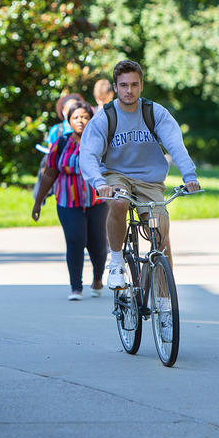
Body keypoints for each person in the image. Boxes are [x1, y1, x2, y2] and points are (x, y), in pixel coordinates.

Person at [79, 59, 201, 290]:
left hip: (149, 181)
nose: (129, 90)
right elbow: (88, 155)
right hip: (116, 175)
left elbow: (176, 145)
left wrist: (189, 176)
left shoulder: (154, 113)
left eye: (134, 85)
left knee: (161, 232)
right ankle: (115, 264)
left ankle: (164, 302)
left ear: (141, 85)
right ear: (115, 87)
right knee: (119, 202)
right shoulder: (105, 117)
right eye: (123, 85)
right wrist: (98, 182)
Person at [32, 101, 108, 301]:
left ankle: (98, 279)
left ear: (91, 119)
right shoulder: (62, 144)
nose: (80, 121)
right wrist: (38, 201)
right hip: (68, 202)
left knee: (98, 245)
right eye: (76, 117)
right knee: (75, 240)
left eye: (84, 117)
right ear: (69, 121)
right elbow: (49, 174)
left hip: (97, 201)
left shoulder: (100, 142)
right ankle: (76, 287)